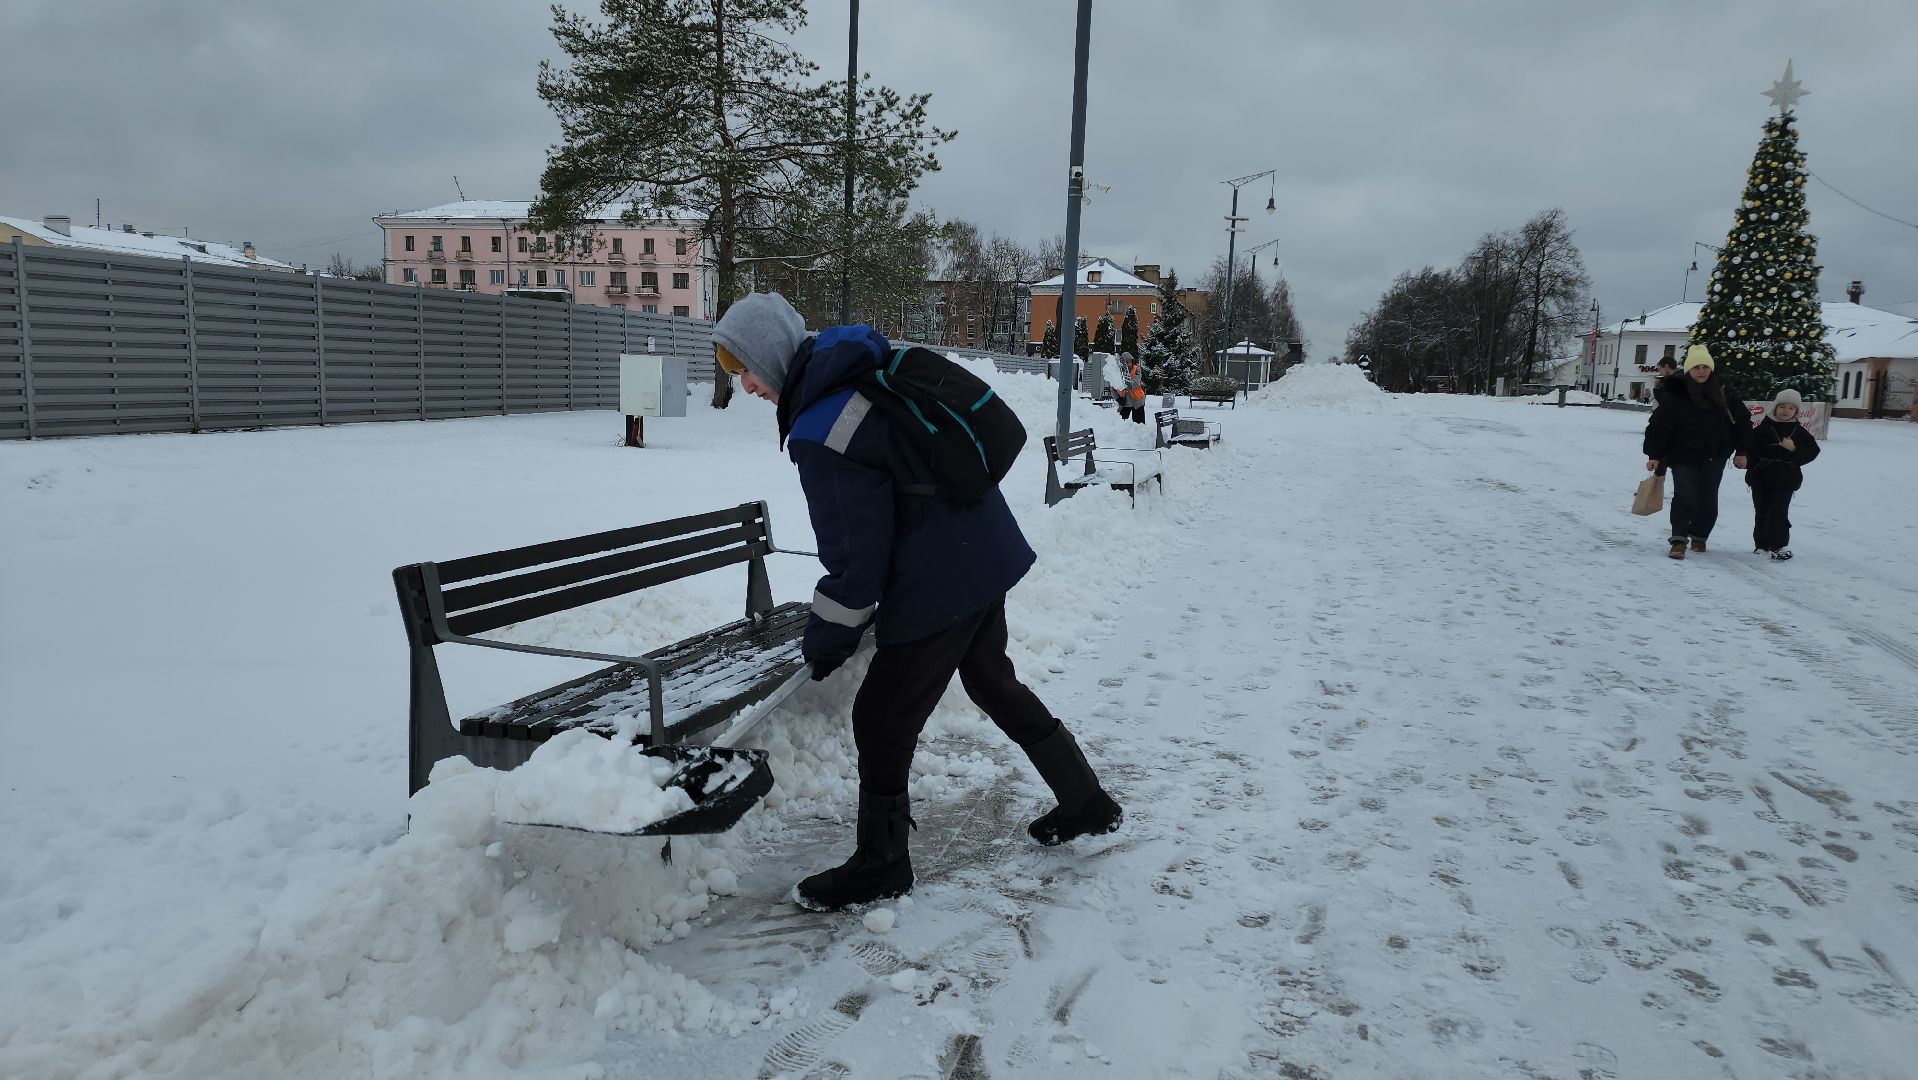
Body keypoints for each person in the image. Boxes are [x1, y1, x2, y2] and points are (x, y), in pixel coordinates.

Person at [711, 292, 1124, 912]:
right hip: (980, 547)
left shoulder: (823, 428)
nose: (743, 386)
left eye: (742, 368)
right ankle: (1086, 801)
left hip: (943, 574)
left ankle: (881, 864)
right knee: (990, 679)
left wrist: (828, 638)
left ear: (770, 357)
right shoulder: (851, 368)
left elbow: (856, 557)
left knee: (881, 718)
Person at [1643, 344, 1751, 560]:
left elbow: (1742, 422)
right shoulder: (1676, 393)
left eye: (1705, 367)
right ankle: (1679, 539)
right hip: (1683, 455)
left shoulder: (1723, 391)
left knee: (1708, 499)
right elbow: (1659, 425)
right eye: (1696, 367)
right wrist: (1654, 454)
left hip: (1716, 454)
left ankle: (1700, 536)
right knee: (1686, 495)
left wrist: (1743, 450)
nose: (1701, 371)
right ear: (1689, 370)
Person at [1746, 388, 1820, 560]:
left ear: (1796, 411)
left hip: (1786, 479)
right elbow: (1750, 449)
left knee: (1779, 511)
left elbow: (1813, 450)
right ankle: (1762, 545)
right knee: (1762, 510)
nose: (1786, 411)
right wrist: (1746, 461)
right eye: (1782, 406)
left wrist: (1794, 448)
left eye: (1791, 408)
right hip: (1761, 478)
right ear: (1775, 408)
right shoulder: (1763, 429)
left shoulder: (1799, 432)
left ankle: (1779, 545)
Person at [1118, 352, 1147, 424]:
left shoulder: (1137, 369)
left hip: (1137, 399)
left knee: (1139, 424)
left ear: (1132, 362)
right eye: (1125, 362)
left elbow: (1136, 382)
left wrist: (1126, 386)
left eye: (1129, 362)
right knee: (1120, 423)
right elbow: (1113, 386)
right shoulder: (1119, 371)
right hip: (1125, 400)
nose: (1127, 364)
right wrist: (1117, 398)